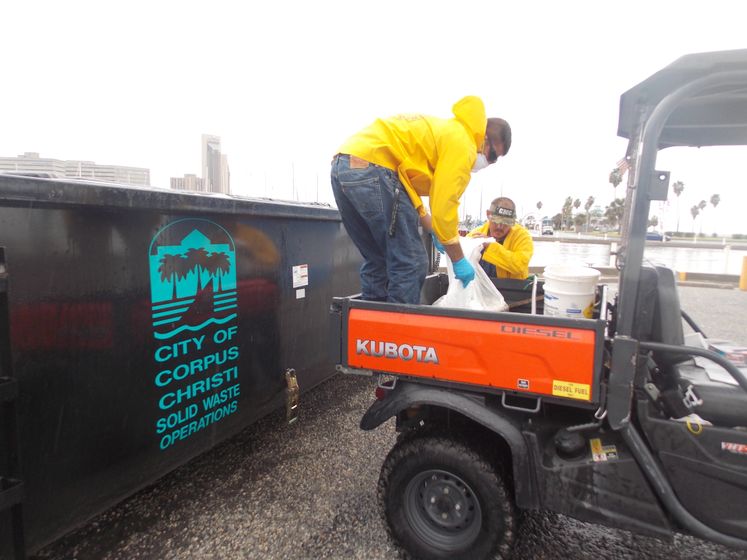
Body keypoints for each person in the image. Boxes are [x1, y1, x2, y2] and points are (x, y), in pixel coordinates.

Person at [330, 96, 511, 304]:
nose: (490, 162)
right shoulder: (464, 144)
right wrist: (458, 258)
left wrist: (432, 227)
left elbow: (405, 188)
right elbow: (444, 205)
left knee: (377, 260)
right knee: (412, 262)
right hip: (375, 168)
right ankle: (397, 333)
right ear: (485, 139)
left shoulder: (445, 132)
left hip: (343, 166)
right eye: (494, 155)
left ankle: (371, 331)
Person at [467, 197, 533, 279]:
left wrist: (490, 246)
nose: (500, 226)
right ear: (488, 214)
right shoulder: (474, 235)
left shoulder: (522, 236)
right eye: (496, 220)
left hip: (510, 288)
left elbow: (520, 265)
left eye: (506, 222)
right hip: (478, 287)